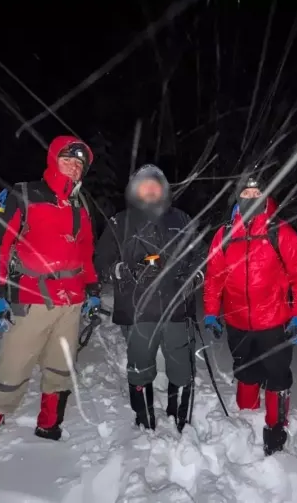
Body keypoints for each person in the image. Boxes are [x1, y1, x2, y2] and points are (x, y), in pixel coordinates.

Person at [0, 135, 102, 455]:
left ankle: (49, 423)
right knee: (12, 368)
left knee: (60, 366)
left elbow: (85, 253)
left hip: (71, 302)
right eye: (67, 160)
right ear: (54, 159)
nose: (73, 168)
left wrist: (93, 289)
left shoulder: (80, 205)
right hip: (32, 299)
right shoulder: (24, 195)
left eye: (79, 164)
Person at [202, 175, 297, 455]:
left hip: (274, 321)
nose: (251, 197)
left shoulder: (280, 232)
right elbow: (214, 278)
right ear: (238, 197)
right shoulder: (224, 234)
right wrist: (211, 314)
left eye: (256, 192)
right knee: (245, 369)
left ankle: (276, 425)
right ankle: (245, 417)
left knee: (277, 374)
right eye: (246, 192)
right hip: (237, 322)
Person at [94, 164, 204, 432]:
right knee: (140, 365)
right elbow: (101, 262)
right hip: (136, 311)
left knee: (181, 366)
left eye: (155, 184)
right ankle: (144, 418)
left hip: (177, 309)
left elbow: (201, 257)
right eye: (144, 184)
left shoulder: (182, 220)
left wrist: (193, 279)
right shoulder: (120, 222)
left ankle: (179, 416)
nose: (150, 188)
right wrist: (123, 271)